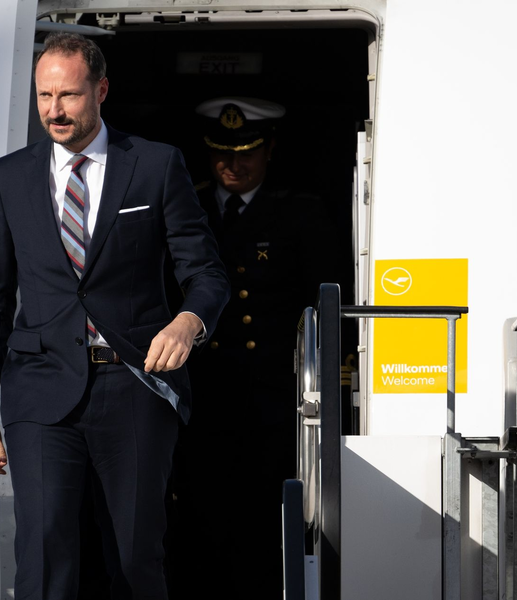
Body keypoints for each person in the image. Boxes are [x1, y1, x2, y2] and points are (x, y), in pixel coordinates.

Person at [0, 33, 229, 600]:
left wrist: (187, 322)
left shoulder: (155, 165)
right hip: (39, 386)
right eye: (44, 96)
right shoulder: (8, 177)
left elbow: (205, 273)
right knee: (43, 549)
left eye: (70, 95)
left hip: (132, 385)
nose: (54, 111)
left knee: (133, 557)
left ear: (101, 90)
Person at [172, 97, 341, 598]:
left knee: (263, 518)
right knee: (200, 512)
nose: (233, 164)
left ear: (270, 150)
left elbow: (326, 302)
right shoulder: (190, 207)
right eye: (222, 153)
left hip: (272, 395)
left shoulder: (300, 213)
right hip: (201, 392)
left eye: (246, 152)